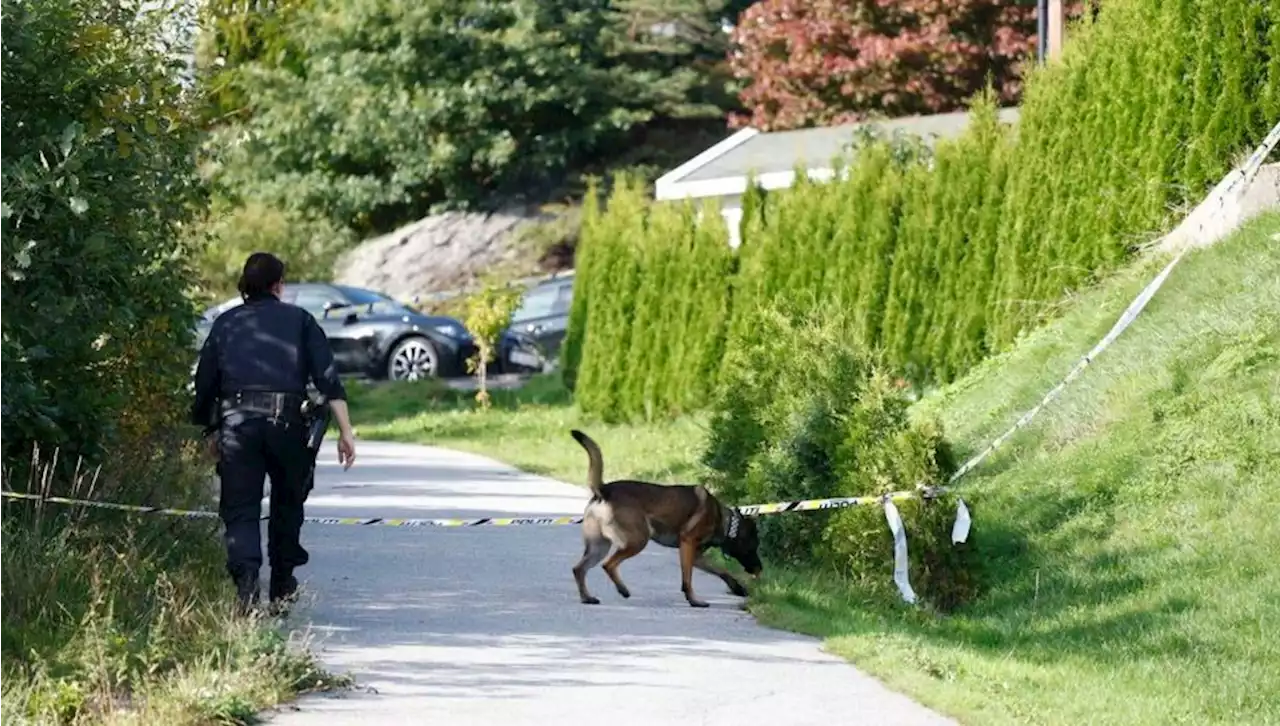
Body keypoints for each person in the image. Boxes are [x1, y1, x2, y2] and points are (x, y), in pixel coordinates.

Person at [190, 252, 358, 614]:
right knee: (288, 503)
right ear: (278, 285)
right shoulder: (300, 320)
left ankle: (247, 589)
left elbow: (205, 382)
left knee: (240, 510)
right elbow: (328, 379)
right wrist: (346, 431)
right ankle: (281, 587)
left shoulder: (227, 324)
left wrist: (210, 429)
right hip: (287, 426)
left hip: (238, 426)